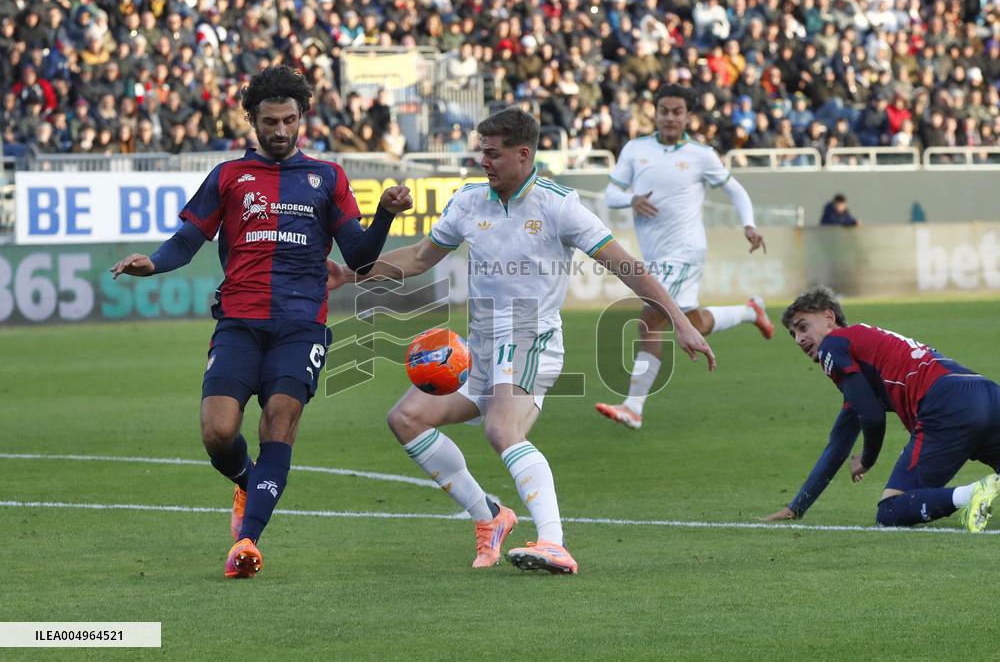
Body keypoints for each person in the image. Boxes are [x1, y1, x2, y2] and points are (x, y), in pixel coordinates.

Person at [326, 107, 716, 574]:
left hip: (532, 337)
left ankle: (554, 542)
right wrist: (351, 274)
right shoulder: (469, 200)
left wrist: (680, 321)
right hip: (479, 346)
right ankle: (490, 517)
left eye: (492, 154)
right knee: (406, 419)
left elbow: (625, 265)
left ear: (523, 154)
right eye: (481, 153)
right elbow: (419, 258)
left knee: (501, 430)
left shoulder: (558, 205)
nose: (483, 162)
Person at [110, 66, 413, 578]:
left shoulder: (327, 177)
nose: (280, 131)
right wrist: (153, 263)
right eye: (269, 121)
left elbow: (359, 258)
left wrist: (383, 215)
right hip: (239, 321)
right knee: (217, 432)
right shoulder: (229, 176)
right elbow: (188, 242)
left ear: (302, 119)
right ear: (251, 119)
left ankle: (247, 542)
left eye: (289, 120)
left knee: (280, 419)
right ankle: (248, 481)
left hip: (301, 324)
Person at [595, 84, 772, 431]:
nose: (670, 117)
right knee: (692, 321)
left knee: (650, 320)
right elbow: (610, 193)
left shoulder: (700, 154)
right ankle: (750, 311)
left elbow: (735, 190)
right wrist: (630, 199)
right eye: (664, 110)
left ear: (688, 116)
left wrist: (749, 225)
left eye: (678, 111)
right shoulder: (636, 149)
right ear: (655, 112)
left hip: (685, 251)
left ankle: (633, 406)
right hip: (658, 254)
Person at [761, 287, 1000, 530]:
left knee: (890, 510)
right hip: (986, 392)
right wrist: (797, 507)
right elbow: (838, 444)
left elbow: (873, 417)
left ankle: (971, 494)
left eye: (803, 327)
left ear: (829, 317)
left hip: (947, 404)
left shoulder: (833, 345)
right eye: (793, 334)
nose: (798, 339)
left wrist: (867, 459)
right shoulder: (863, 354)